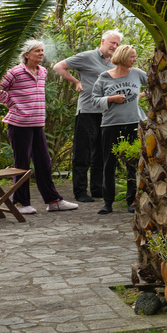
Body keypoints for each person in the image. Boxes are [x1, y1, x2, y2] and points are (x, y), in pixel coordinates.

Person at [0, 39, 76, 215]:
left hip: (37, 124)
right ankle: (21, 203)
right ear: (26, 55)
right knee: (22, 164)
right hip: (19, 125)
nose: (41, 53)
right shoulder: (15, 72)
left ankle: (53, 201)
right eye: (37, 51)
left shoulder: (43, 71)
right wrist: (11, 102)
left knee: (44, 162)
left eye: (42, 50)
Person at [53, 30, 121, 203]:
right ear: (103, 41)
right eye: (112, 43)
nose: (114, 46)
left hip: (107, 114)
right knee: (82, 152)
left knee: (101, 153)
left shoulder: (115, 62)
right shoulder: (87, 57)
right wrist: (76, 82)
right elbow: (58, 67)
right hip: (87, 112)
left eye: (117, 44)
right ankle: (80, 191)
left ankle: (97, 189)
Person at [91, 45, 147, 215]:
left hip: (134, 123)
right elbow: (94, 100)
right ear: (123, 57)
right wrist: (111, 99)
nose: (135, 60)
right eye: (132, 56)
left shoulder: (138, 74)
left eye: (135, 56)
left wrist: (142, 95)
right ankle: (108, 202)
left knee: (133, 164)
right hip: (110, 125)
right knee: (109, 164)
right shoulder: (104, 77)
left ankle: (132, 200)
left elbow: (157, 84)